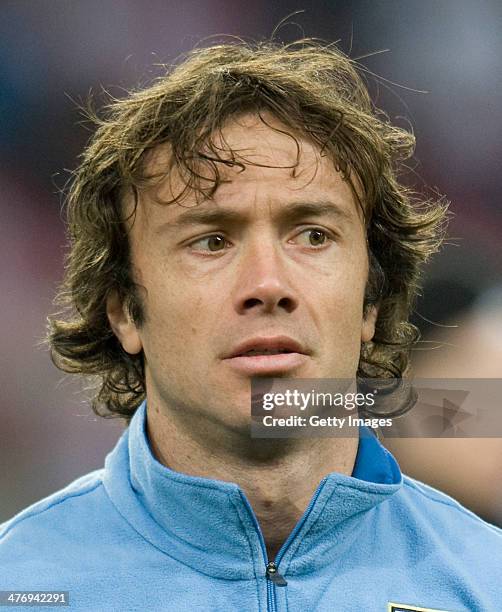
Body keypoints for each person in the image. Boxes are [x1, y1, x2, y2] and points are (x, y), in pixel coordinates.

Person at [1, 40, 500, 612]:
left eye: (313, 235)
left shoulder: (488, 583)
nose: (268, 283)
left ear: (371, 302)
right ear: (123, 310)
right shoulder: (19, 586)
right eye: (211, 241)